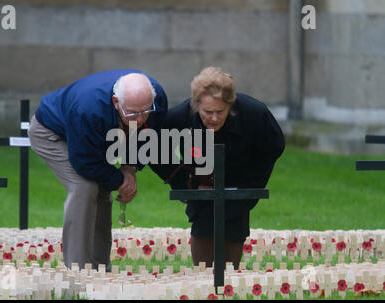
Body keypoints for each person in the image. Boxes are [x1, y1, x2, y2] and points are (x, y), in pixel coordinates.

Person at [28, 69, 168, 270]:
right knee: (84, 187)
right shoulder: (88, 109)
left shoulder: (157, 100)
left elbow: (148, 136)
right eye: (132, 113)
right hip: (52, 132)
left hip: (95, 136)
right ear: (115, 102)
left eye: (145, 111)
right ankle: (77, 274)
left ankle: (100, 270)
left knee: (102, 191)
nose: (139, 119)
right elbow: (85, 162)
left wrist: (129, 169)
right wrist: (119, 181)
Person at [150, 67, 285, 269]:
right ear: (196, 106)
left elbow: (274, 147)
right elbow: (153, 148)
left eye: (220, 112)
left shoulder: (255, 114)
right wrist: (183, 185)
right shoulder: (180, 117)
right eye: (207, 112)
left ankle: (227, 287)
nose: (213, 118)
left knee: (233, 229)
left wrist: (250, 186)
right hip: (201, 183)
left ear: (231, 105)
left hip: (240, 181)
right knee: (203, 226)